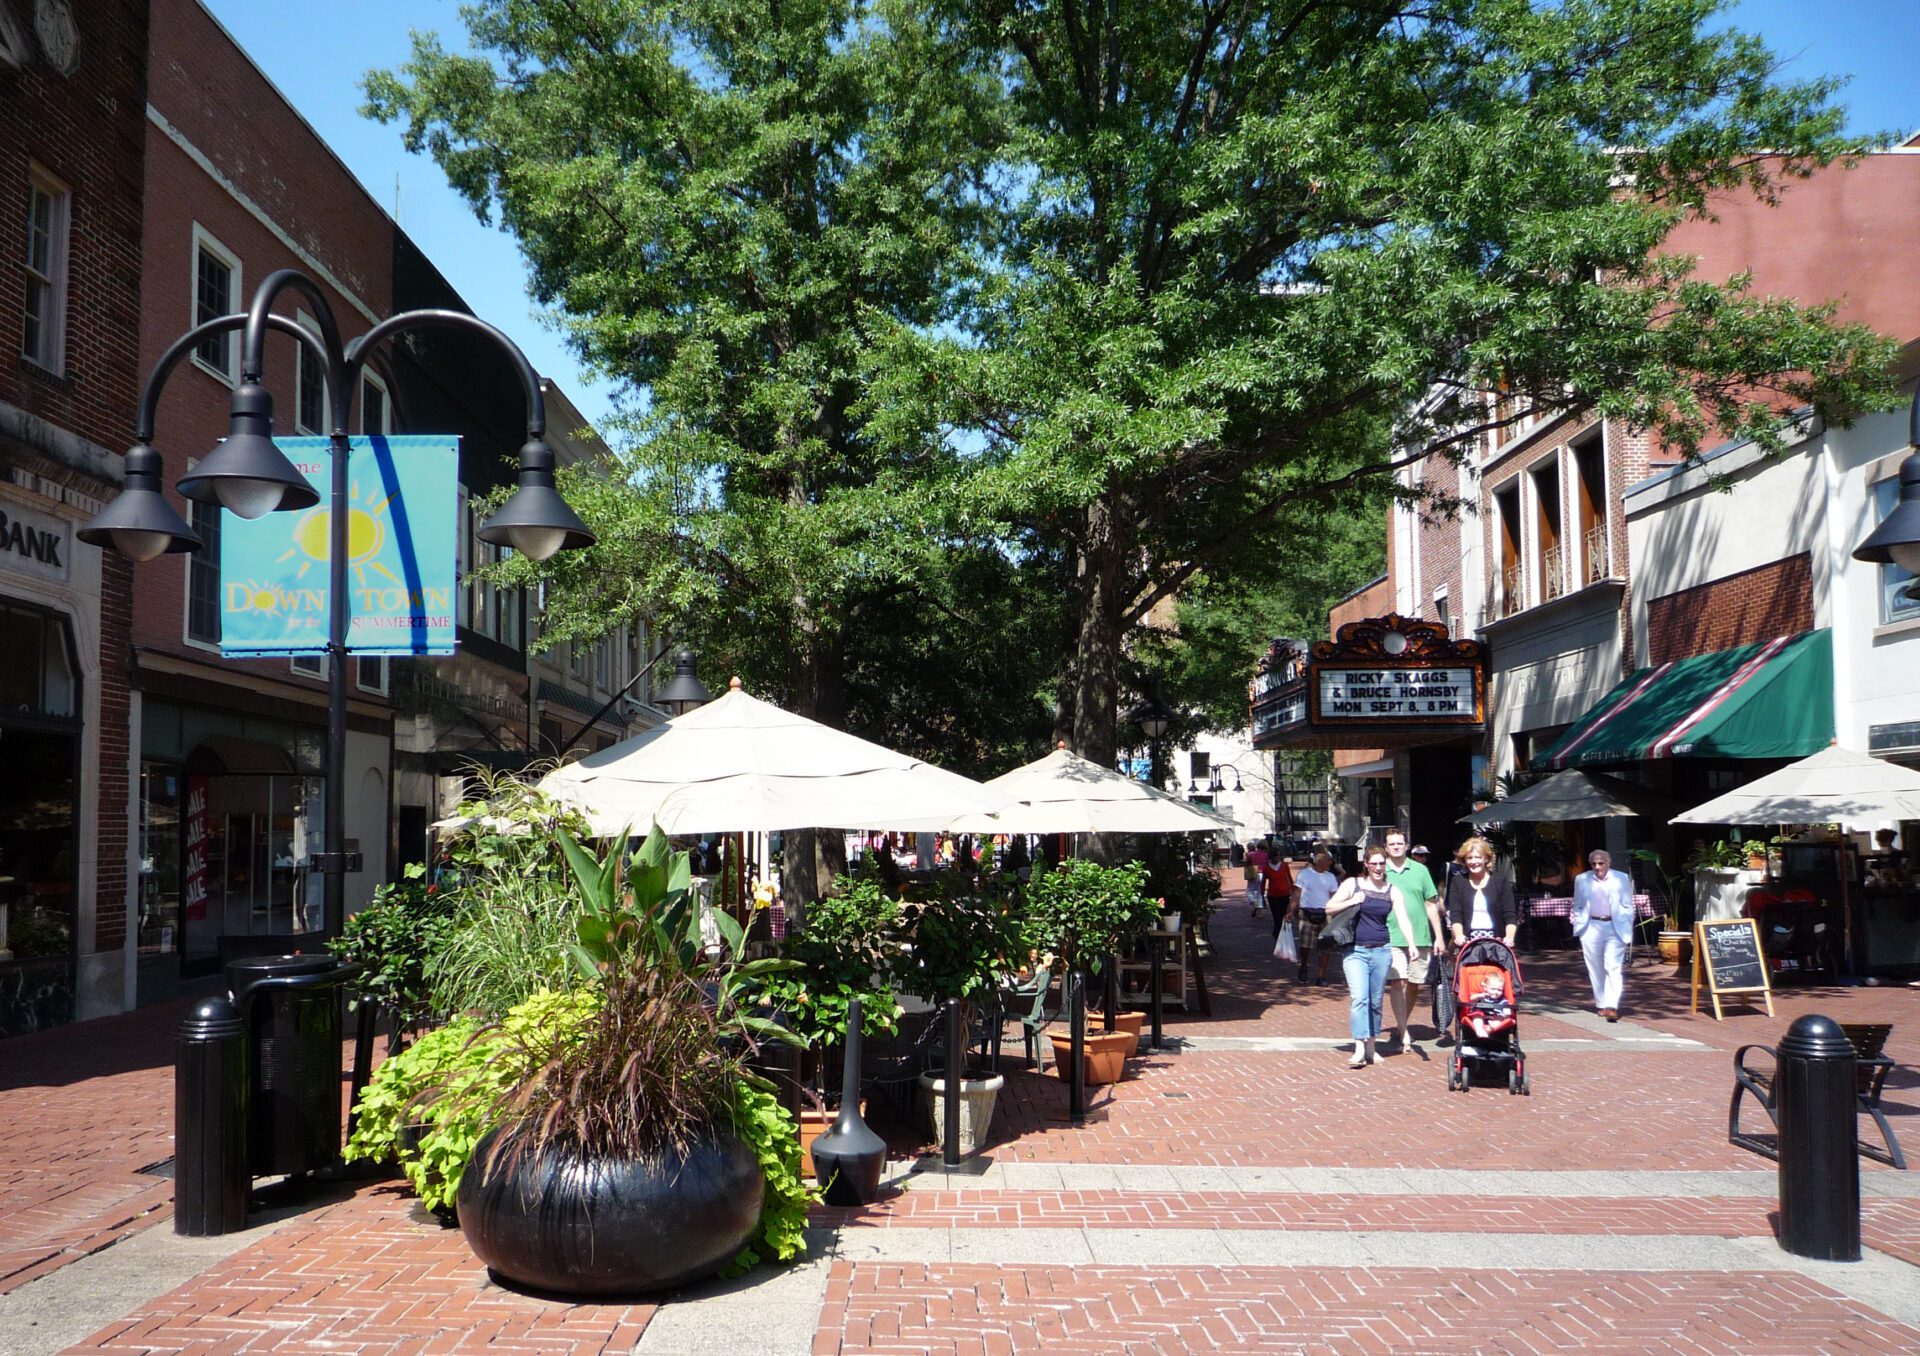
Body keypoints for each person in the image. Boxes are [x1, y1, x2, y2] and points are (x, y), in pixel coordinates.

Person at [1325, 846, 1419, 1069]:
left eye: (1381, 863)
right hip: (1355, 950)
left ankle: (1371, 1047)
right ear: (1366, 864)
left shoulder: (1392, 890)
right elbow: (1329, 907)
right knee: (1360, 998)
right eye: (1374, 863)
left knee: (1375, 1001)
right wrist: (1352, 901)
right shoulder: (1353, 884)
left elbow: (1403, 919)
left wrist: (1412, 944)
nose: (1378, 867)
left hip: (1382, 950)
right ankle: (1359, 1047)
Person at [1382, 829, 1444, 1054]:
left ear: (1406, 845)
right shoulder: (1381, 870)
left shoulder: (1420, 870)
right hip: (1391, 935)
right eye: (1392, 844)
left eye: (1400, 843)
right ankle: (1403, 1029)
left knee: (1414, 983)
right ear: (1386, 847)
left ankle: (1402, 1024)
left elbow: (1430, 903)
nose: (1396, 846)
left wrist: (1439, 936)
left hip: (1420, 936)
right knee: (1397, 981)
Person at [1572, 849, 1635, 1021]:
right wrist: (1578, 921)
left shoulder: (1621, 878)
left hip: (1614, 926)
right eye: (1594, 864)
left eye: (1601, 863)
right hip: (1591, 926)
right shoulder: (1582, 879)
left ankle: (1612, 1005)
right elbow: (1577, 904)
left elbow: (1628, 905)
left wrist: (1626, 923)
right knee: (1595, 967)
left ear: (1608, 863)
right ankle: (1601, 1003)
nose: (1597, 867)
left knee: (1613, 966)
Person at [1285, 848, 1341, 984]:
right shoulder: (1304, 874)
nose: (1330, 863)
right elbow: (1296, 894)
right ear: (1320, 862)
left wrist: (1337, 914)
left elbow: (1335, 896)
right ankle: (1303, 966)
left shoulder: (1330, 877)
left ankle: (1321, 976)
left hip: (1325, 914)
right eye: (1328, 860)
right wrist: (1291, 911)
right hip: (1306, 913)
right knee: (1305, 945)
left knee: (1325, 945)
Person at [1463, 972, 1513, 1041]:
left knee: (1500, 1017)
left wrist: (1507, 1013)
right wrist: (1478, 996)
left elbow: (1507, 1012)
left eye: (1499, 990)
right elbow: (1471, 1000)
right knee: (1477, 1015)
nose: (1496, 992)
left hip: (1494, 1016)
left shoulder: (1502, 1001)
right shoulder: (1481, 996)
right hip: (1481, 1014)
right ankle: (1479, 1029)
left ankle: (1491, 1027)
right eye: (1493, 989)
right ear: (1486, 988)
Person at [1264, 849, 1295, 941]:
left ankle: (1283, 933)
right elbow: (1262, 883)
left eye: (1279, 855)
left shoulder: (1284, 865)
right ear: (1271, 857)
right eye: (1276, 855)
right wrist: (1261, 895)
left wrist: (1293, 891)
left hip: (1285, 894)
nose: (1278, 857)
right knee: (1276, 917)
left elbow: (1289, 878)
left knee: (1284, 916)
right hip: (1273, 896)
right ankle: (1277, 935)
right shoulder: (1266, 868)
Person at [1244, 838, 1270, 914]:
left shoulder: (1252, 854)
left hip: (1254, 872)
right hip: (1263, 874)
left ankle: (1253, 902)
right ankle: (1260, 912)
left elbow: (1246, 863)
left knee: (1249, 890)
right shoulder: (1266, 855)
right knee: (1260, 893)